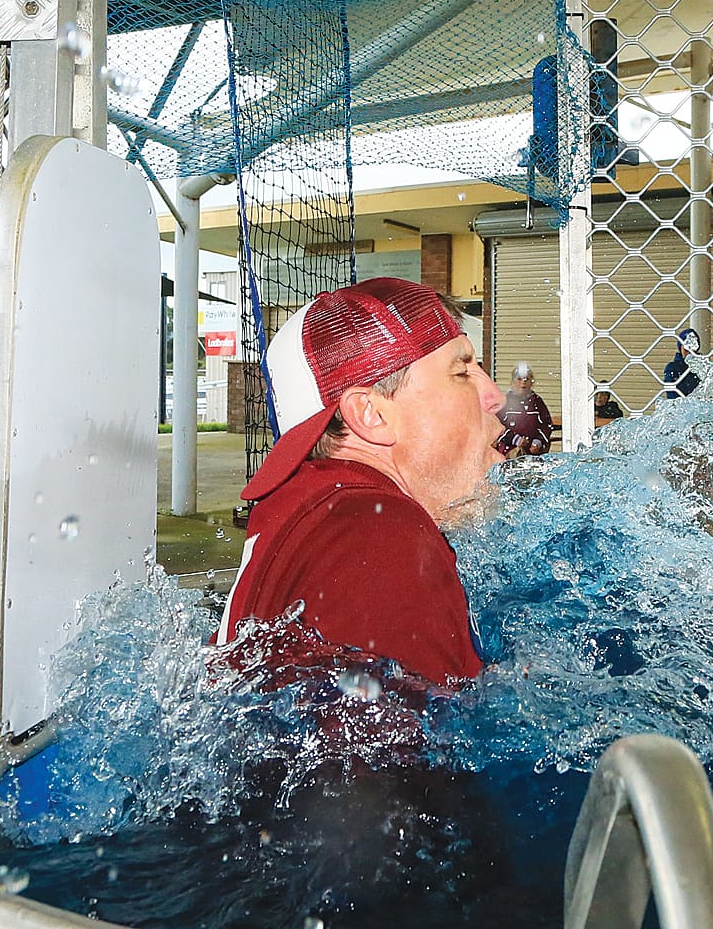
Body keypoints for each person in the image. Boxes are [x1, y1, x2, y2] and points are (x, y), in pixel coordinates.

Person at [212, 278, 504, 684]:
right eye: (462, 371)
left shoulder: (309, 511)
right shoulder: (380, 535)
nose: (494, 396)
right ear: (371, 414)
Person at [497, 361, 554, 456]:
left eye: (526, 379)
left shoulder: (537, 401)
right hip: (508, 453)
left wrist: (538, 442)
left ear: (532, 382)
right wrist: (515, 439)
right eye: (519, 379)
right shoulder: (505, 402)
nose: (523, 382)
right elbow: (497, 426)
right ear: (512, 382)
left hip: (532, 453)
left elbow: (546, 425)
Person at [663, 327, 701, 398]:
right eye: (686, 348)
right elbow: (672, 395)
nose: (690, 352)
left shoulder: (702, 367)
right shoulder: (673, 368)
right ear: (680, 348)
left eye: (693, 348)